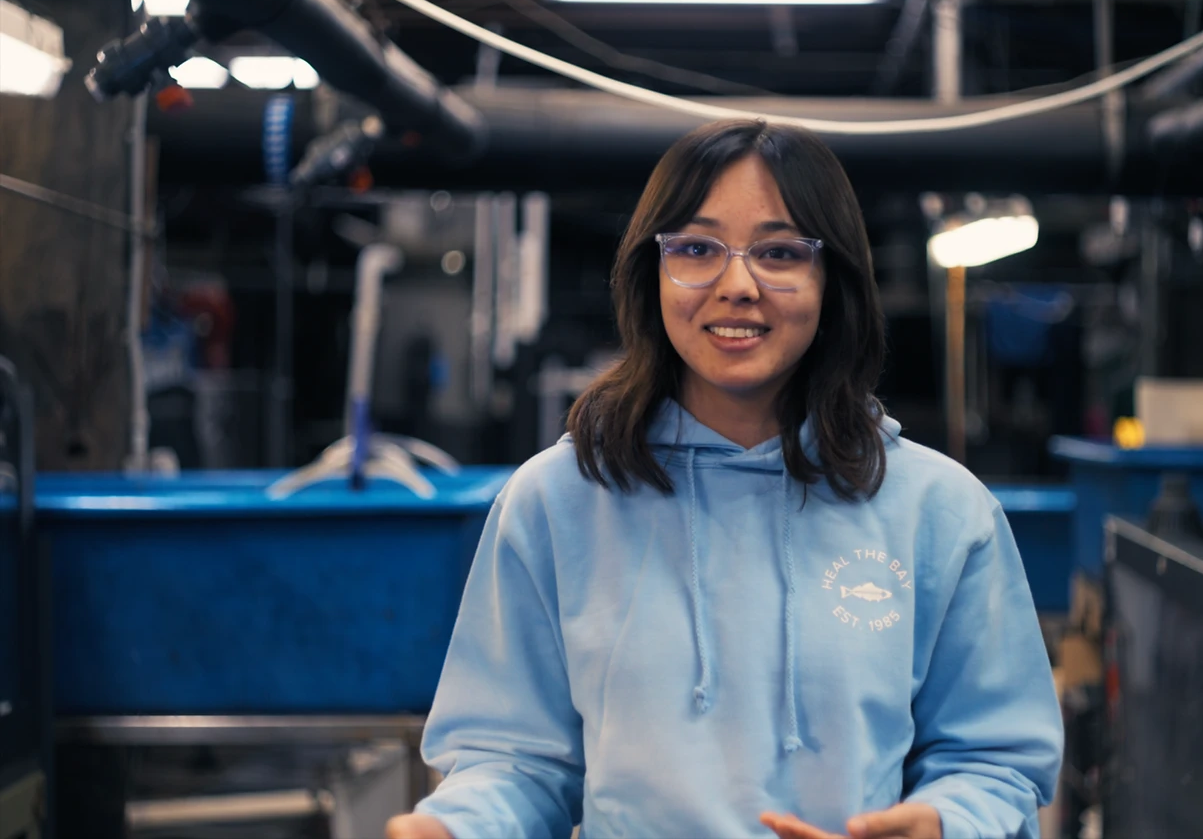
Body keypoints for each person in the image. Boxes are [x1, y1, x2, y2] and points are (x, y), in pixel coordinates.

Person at [386, 118, 1062, 839]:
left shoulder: (942, 513)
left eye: (778, 252)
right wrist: (459, 827)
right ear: (655, 271)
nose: (737, 285)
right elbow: (515, 759)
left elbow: (995, 762)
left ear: (831, 279)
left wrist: (942, 824)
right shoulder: (557, 501)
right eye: (697, 249)